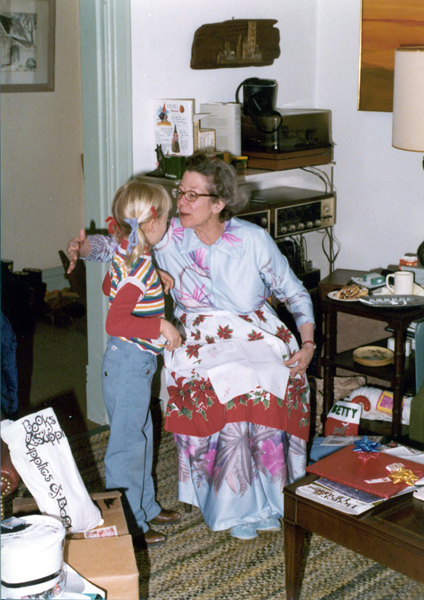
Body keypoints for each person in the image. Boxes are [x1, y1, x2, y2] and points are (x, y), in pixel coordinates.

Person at [67, 153, 315, 541]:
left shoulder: (252, 240)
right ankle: (235, 506)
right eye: (180, 192)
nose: (181, 201)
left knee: (270, 376)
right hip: (198, 334)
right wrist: (83, 248)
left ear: (218, 203)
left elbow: (295, 293)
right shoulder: (168, 234)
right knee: (229, 381)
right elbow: (121, 244)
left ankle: (270, 499)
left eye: (192, 195)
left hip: (258, 330)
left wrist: (308, 341)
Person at [99, 180, 182, 548]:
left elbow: (109, 287)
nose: (169, 223)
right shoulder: (139, 265)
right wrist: (160, 325)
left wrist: (152, 281)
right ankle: (129, 523)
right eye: (166, 218)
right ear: (151, 224)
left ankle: (145, 507)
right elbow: (115, 321)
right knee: (127, 445)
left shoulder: (130, 253)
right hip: (129, 364)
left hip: (132, 363)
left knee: (141, 436)